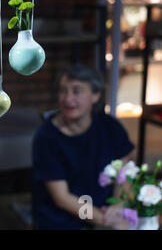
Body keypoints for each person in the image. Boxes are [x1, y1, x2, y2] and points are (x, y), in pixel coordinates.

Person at [32, 64, 135, 230]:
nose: (67, 99)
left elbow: (124, 173)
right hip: (62, 222)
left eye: (76, 91)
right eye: (63, 91)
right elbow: (62, 198)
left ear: (96, 95)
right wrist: (103, 220)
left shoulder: (110, 126)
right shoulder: (47, 137)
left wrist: (118, 207)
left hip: (106, 214)